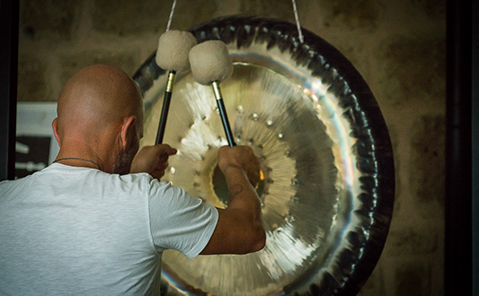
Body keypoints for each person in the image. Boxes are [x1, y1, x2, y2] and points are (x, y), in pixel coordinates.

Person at [0, 64, 265, 295]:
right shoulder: (145, 200)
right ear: (126, 132)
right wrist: (233, 166)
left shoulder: (4, 199)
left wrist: (131, 175)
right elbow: (251, 232)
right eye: (137, 137)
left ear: (57, 130)